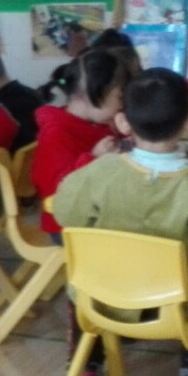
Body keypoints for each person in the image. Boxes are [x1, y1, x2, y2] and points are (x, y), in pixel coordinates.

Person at [53, 68, 188, 376]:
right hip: (179, 308)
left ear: (122, 122)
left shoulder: (98, 172)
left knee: (78, 283)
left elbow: (65, 213)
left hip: (104, 303)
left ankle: (86, 370)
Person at [32, 49, 132, 237]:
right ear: (93, 94)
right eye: (119, 97)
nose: (121, 106)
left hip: (96, 210)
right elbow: (54, 190)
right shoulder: (56, 133)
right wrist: (93, 159)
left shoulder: (97, 123)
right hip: (68, 226)